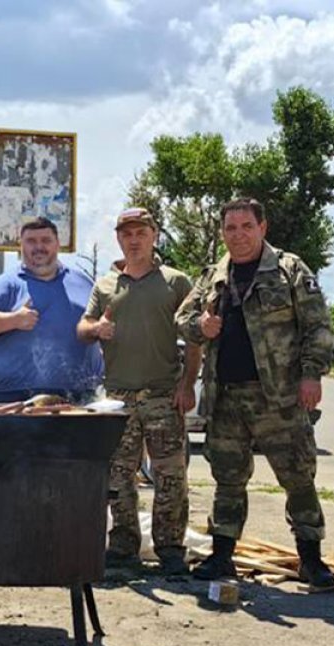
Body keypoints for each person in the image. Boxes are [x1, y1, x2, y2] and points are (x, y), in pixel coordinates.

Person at [176, 197, 334, 588]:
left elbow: (318, 328)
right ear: (223, 233)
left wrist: (311, 375)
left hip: (279, 396)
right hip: (227, 396)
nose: (239, 235)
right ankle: (222, 557)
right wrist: (202, 326)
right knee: (228, 479)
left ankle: (311, 560)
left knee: (298, 477)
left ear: (262, 228)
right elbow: (183, 319)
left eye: (246, 226)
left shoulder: (288, 270)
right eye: (231, 228)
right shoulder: (214, 274)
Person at [78, 208, 197, 575]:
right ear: (119, 239)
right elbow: (81, 328)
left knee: (170, 476)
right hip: (118, 398)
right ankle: (124, 545)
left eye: (140, 233)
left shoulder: (176, 282)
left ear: (154, 235)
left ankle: (170, 548)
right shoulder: (106, 286)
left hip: (163, 394)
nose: (133, 240)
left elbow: (194, 337)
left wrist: (188, 384)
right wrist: (96, 328)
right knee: (118, 475)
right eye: (127, 233)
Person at [0, 217, 102, 403]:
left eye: (46, 240)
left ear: (57, 244)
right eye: (31, 241)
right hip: (11, 398)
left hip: (79, 396)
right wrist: (13, 320)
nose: (39, 247)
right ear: (20, 245)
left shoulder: (84, 283)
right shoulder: (5, 284)